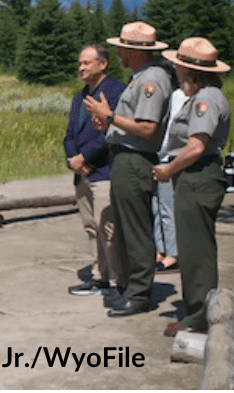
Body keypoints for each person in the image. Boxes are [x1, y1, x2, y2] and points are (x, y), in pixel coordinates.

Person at [84, 22, 173, 317]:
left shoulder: (152, 80)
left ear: (135, 51)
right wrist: (108, 121)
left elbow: (147, 129)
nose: (118, 52)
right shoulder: (140, 78)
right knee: (124, 227)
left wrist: (109, 116)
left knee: (136, 229)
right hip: (124, 156)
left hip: (135, 159)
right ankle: (132, 288)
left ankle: (139, 294)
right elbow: (129, 122)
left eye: (122, 46)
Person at [152, 37, 231, 337]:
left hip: (197, 175)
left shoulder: (205, 99)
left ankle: (199, 315)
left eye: (178, 65)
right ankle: (196, 309)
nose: (174, 69)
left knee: (196, 249)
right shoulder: (204, 96)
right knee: (191, 245)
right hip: (194, 176)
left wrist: (168, 169)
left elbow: (196, 146)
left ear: (190, 70)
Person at [64, 45, 126, 297]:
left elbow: (113, 132)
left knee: (108, 229)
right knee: (91, 227)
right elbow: (70, 134)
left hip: (104, 171)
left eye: (87, 63)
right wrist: (72, 159)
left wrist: (86, 157)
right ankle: (99, 277)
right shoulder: (79, 97)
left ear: (103, 64)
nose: (81, 68)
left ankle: (119, 282)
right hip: (82, 174)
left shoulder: (117, 92)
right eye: (80, 63)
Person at [153, 88, 189, 276]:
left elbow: (172, 132)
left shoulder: (181, 96)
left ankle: (173, 254)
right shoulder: (172, 95)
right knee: (156, 207)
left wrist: (164, 154)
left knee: (167, 208)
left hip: (168, 158)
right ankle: (160, 250)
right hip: (157, 156)